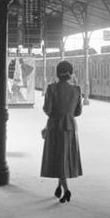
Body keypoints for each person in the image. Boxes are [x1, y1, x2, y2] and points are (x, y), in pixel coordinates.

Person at [41, 60, 83, 204]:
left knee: (58, 158)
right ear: (70, 73)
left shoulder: (51, 88)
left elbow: (47, 109)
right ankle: (59, 186)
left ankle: (66, 190)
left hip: (55, 126)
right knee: (64, 158)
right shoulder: (77, 89)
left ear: (57, 73)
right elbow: (78, 112)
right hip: (70, 127)